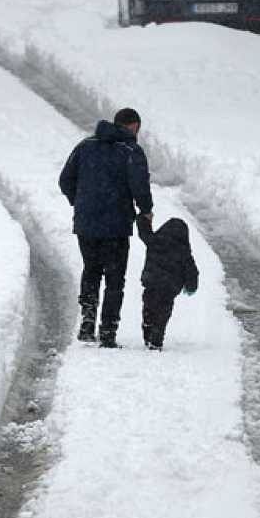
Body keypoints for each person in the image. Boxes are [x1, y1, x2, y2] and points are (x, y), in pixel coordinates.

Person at [58, 107, 153, 348]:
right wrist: (145, 210)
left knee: (91, 270)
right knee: (114, 279)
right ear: (134, 127)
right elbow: (140, 186)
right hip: (116, 225)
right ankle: (108, 332)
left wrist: (80, 201)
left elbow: (65, 180)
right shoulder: (131, 151)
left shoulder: (85, 146)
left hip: (86, 223)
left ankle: (87, 323)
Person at [136, 214, 199, 351]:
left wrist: (143, 218)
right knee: (163, 313)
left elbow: (144, 233)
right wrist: (191, 286)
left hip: (151, 284)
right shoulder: (184, 251)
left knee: (148, 308)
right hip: (169, 289)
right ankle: (157, 337)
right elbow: (192, 271)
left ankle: (147, 330)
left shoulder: (154, 241)